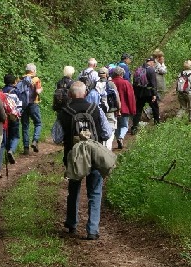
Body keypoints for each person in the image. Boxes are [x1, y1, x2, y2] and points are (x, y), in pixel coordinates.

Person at [54, 81, 111, 240]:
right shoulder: (96, 109)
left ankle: (72, 223)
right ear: (85, 93)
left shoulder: (64, 112)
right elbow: (106, 133)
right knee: (95, 191)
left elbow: (57, 138)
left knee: (74, 190)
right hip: (94, 156)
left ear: (70, 95)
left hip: (73, 157)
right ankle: (92, 229)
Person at [131, 57, 159, 135]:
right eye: (153, 63)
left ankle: (134, 127)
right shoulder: (151, 70)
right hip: (149, 93)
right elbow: (153, 83)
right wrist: (154, 94)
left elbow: (134, 83)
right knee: (155, 108)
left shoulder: (138, 69)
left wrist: (135, 93)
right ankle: (157, 124)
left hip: (139, 93)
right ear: (151, 62)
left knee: (138, 110)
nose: (154, 64)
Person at [20, 63, 43, 154]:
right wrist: (40, 90)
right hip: (33, 104)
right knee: (38, 123)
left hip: (23, 105)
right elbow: (38, 91)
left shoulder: (21, 79)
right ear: (33, 71)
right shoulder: (36, 79)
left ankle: (26, 148)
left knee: (25, 126)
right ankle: (35, 140)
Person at [96, 67, 121, 150]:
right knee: (111, 130)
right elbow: (117, 97)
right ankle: (108, 149)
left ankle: (102, 148)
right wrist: (119, 109)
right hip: (110, 111)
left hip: (99, 111)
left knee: (101, 129)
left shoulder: (94, 84)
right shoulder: (111, 84)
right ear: (107, 75)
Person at [111, 66, 136, 149]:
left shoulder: (110, 83)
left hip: (113, 109)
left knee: (116, 126)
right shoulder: (126, 83)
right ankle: (121, 137)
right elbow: (130, 97)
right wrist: (132, 110)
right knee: (124, 125)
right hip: (124, 109)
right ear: (122, 74)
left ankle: (118, 138)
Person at [1, 74, 21, 167]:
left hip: (4, 116)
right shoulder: (16, 91)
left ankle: (8, 151)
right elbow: (20, 105)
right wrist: (19, 114)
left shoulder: (1, 91)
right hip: (13, 116)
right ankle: (11, 150)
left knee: (7, 135)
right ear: (14, 82)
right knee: (16, 136)